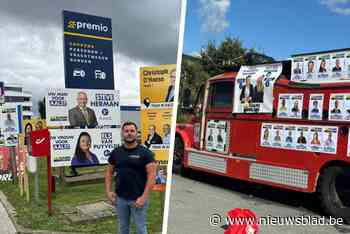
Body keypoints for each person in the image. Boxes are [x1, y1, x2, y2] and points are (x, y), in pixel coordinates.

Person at [105, 122, 156, 234]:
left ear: (137, 133)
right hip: (121, 198)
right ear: (122, 133)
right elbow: (109, 172)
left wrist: (144, 197)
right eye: (126, 131)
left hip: (138, 199)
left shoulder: (145, 153)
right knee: (123, 228)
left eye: (132, 131)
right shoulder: (116, 152)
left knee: (140, 229)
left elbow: (152, 176)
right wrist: (108, 192)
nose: (129, 133)